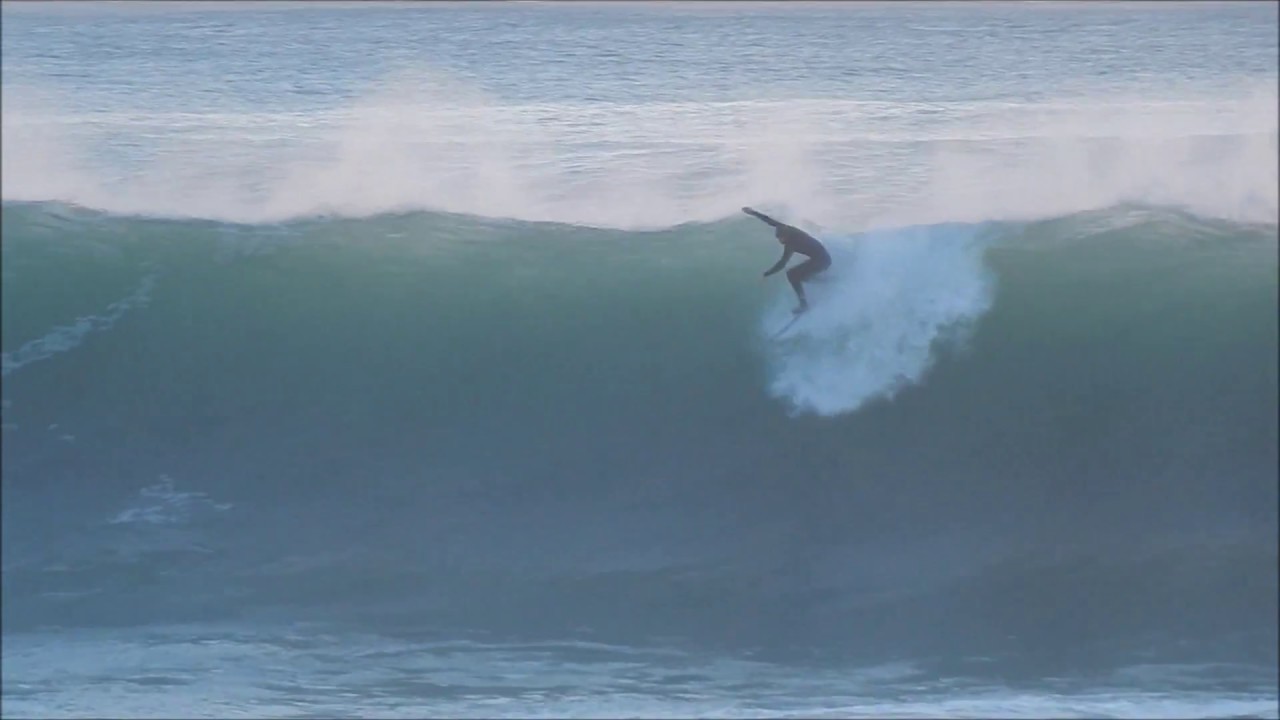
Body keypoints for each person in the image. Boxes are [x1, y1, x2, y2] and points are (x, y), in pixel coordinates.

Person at [743, 206, 831, 314]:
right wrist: (753, 212)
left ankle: (804, 304)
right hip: (822, 257)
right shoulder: (785, 228)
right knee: (802, 276)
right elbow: (769, 220)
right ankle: (825, 281)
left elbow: (782, 263)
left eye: (782, 239)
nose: (780, 241)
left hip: (822, 261)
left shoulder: (792, 243)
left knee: (791, 274)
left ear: (787, 236)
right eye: (779, 238)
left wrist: (766, 274)